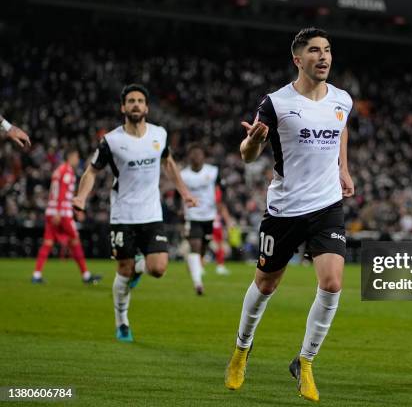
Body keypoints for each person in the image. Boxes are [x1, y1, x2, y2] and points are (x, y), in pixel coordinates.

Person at [224, 27, 354, 402]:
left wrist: (343, 168)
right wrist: (254, 142)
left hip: (327, 206)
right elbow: (247, 154)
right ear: (299, 59)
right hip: (284, 210)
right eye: (315, 50)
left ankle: (306, 362)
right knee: (265, 285)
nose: (324, 56)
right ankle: (241, 350)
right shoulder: (276, 103)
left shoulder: (342, 99)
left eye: (327, 49)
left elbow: (340, 130)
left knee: (332, 284)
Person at [72, 84, 197, 342]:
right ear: (123, 107)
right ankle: (122, 323)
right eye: (131, 101)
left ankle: (141, 267)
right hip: (123, 215)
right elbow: (92, 171)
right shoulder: (111, 140)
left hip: (151, 213)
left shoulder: (159, 134)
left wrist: (184, 192)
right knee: (123, 270)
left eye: (140, 101)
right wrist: (81, 197)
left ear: (147, 107)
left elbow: (169, 163)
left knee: (159, 268)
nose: (136, 105)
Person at [32, 147, 101, 284]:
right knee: (75, 240)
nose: (77, 160)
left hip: (51, 211)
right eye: (76, 157)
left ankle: (36, 274)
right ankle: (86, 276)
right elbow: (62, 193)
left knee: (48, 242)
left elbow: (56, 192)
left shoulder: (58, 170)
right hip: (61, 213)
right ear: (70, 157)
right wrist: (60, 211)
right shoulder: (68, 171)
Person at [180, 143, 233, 295]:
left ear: (203, 157)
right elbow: (178, 195)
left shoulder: (213, 171)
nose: (196, 156)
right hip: (192, 216)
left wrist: (222, 205)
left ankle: (195, 264)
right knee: (195, 246)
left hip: (209, 216)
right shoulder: (183, 175)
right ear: (189, 157)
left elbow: (223, 189)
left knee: (202, 248)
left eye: (199, 153)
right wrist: (179, 211)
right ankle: (198, 283)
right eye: (193, 154)